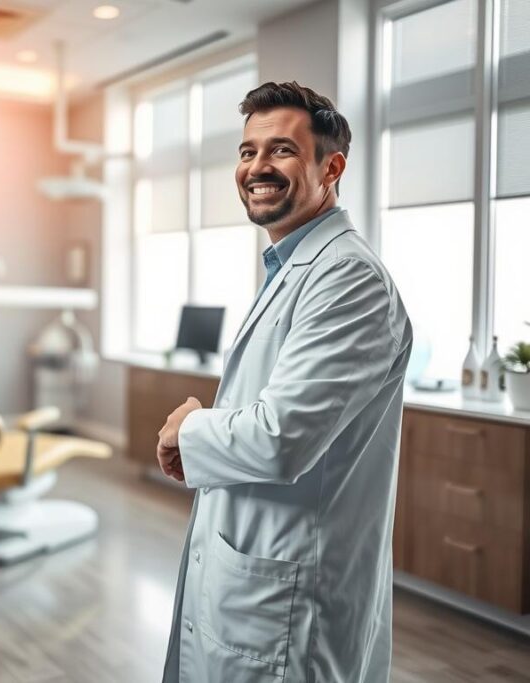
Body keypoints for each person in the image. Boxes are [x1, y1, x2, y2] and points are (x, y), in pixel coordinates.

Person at [157, 81, 412, 682]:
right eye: (248, 152)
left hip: (290, 604)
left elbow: (281, 437)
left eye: (281, 150)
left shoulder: (349, 279)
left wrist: (188, 429)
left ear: (333, 166)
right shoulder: (291, 268)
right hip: (254, 579)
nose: (257, 167)